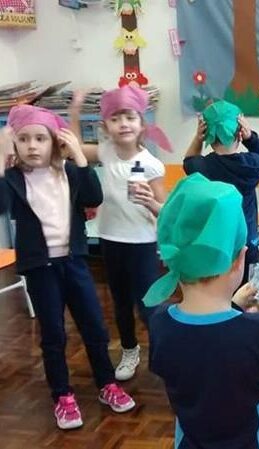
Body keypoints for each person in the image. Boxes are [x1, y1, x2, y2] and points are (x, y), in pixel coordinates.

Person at [144, 173, 259, 448]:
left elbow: (205, 346)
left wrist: (234, 306)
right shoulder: (258, 331)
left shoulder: (160, 323)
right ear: (240, 258)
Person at [0, 106, 135, 430]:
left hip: (74, 262)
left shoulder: (69, 172)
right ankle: (62, 395)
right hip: (40, 268)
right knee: (53, 334)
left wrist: (80, 157)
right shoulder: (14, 179)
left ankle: (106, 383)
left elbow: (93, 197)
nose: (32, 146)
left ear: (54, 141)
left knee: (94, 327)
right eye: (23, 139)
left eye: (40, 138)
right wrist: (2, 158)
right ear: (14, 144)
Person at [70, 86, 170, 381]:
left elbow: (166, 212)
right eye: (115, 119)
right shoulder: (106, 152)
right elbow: (75, 148)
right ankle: (129, 349)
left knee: (148, 305)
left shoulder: (151, 164)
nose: (123, 123)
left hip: (142, 243)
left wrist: (150, 202)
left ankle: (164, 354)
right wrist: (74, 112)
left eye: (129, 117)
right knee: (121, 303)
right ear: (105, 127)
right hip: (111, 241)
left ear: (141, 124)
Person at [183, 100, 259, 282]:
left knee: (217, 288)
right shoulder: (251, 164)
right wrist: (250, 138)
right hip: (246, 242)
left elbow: (189, 160)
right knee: (248, 289)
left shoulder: (202, 167)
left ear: (207, 135)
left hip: (215, 243)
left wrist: (198, 138)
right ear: (239, 133)